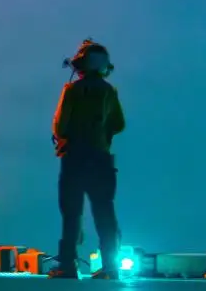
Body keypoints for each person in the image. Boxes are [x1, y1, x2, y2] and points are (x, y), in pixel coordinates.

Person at [50, 38, 125, 279]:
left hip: (74, 159)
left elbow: (61, 127)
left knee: (72, 213)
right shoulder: (109, 91)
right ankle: (111, 267)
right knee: (105, 213)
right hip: (101, 160)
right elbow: (119, 124)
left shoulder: (72, 90)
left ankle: (67, 265)